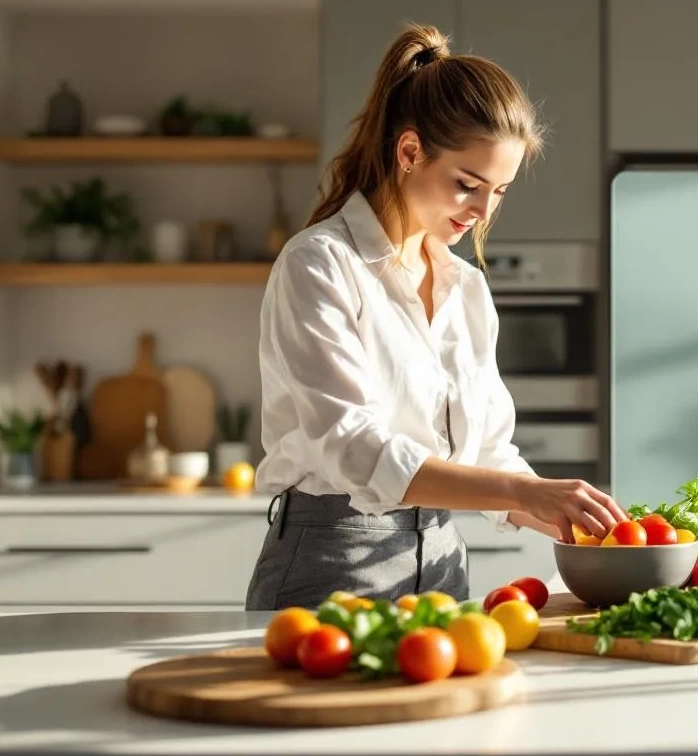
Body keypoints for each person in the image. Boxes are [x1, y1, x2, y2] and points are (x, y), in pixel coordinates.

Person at [244, 23, 626, 611]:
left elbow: (488, 453)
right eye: (468, 185)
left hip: (444, 562)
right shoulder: (319, 265)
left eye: (498, 192)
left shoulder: (466, 287)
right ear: (409, 151)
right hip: (332, 563)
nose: (482, 210)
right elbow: (353, 447)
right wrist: (528, 490)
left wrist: (594, 528)